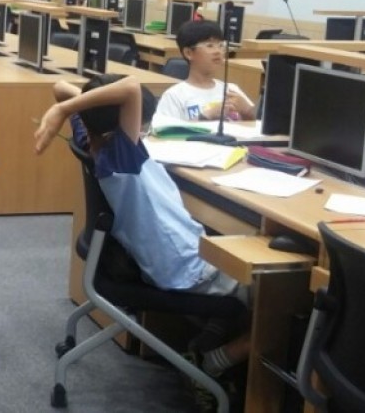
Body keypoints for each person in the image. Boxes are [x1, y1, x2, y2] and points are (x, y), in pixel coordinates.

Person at [34, 74, 250, 382]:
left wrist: (66, 108)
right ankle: (218, 360)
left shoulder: (92, 140)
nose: (144, 130)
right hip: (187, 266)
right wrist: (63, 109)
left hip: (167, 261)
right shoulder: (122, 156)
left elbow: (60, 88)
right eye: (143, 125)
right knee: (275, 294)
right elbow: (131, 87)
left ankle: (208, 336)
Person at [156, 20, 255, 122]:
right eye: (209, 46)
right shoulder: (174, 96)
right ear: (188, 53)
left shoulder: (231, 90)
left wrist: (247, 112)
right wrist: (205, 116)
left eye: (221, 45)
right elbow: (165, 130)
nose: (218, 51)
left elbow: (255, 127)